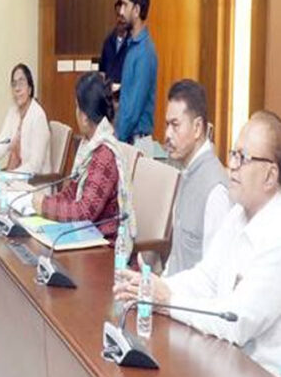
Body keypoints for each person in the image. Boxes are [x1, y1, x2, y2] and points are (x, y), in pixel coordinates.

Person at [115, 111, 281, 376]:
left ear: (270, 176)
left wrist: (169, 301)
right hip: (222, 354)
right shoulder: (238, 214)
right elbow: (206, 278)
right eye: (233, 154)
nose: (232, 165)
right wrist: (154, 287)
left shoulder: (276, 237)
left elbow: (234, 322)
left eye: (243, 157)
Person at [32, 72, 135, 239]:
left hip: (103, 243)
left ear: (85, 118)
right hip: (86, 237)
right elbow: (72, 192)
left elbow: (85, 213)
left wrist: (45, 207)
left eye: (77, 107)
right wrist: (47, 202)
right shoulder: (89, 145)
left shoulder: (104, 154)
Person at [162, 80, 231, 276]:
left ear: (198, 127)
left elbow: (214, 275)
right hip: (170, 288)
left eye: (175, 125)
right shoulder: (186, 171)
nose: (167, 134)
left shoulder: (216, 191)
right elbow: (176, 256)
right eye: (167, 125)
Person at [0, 63, 52, 174]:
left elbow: (35, 166)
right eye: (14, 84)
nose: (17, 89)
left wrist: (9, 176)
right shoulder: (13, 112)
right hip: (15, 176)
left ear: (30, 89)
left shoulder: (38, 117)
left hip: (36, 181)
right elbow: (2, 144)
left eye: (21, 83)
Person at [115, 0, 158, 147]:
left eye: (125, 5)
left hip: (137, 143)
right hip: (128, 140)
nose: (121, 12)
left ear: (137, 10)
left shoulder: (145, 52)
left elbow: (133, 110)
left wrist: (115, 141)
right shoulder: (132, 46)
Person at [99, 0, 130, 85]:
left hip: (125, 91)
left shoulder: (132, 43)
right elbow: (102, 70)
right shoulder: (107, 42)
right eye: (118, 16)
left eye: (123, 16)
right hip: (108, 91)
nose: (121, 20)